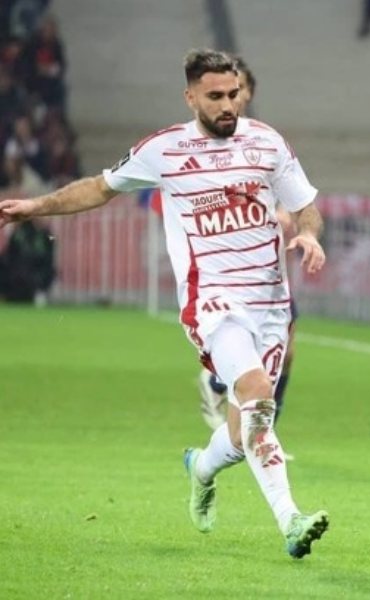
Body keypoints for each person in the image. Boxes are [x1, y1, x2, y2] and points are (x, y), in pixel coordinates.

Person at [0, 49, 329, 558]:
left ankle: (200, 467)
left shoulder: (267, 142)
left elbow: (305, 206)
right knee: (259, 395)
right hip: (213, 303)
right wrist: (33, 208)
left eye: (233, 94)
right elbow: (99, 188)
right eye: (215, 96)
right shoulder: (164, 150)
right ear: (190, 96)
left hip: (270, 304)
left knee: (242, 432)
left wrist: (309, 235)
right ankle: (291, 521)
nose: (228, 105)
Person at [196, 57, 298, 434]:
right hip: (228, 270)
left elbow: (288, 195)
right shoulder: (205, 144)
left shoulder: (266, 142)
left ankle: (263, 429)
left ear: (249, 94)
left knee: (286, 352)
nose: (233, 99)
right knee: (243, 352)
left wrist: (287, 218)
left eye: (239, 90)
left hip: (268, 273)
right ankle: (219, 385)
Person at [0, 217, 55, 304]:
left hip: (36, 276)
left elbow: (49, 259)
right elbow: (10, 255)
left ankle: (39, 293)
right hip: (18, 277)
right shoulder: (21, 233)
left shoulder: (46, 235)